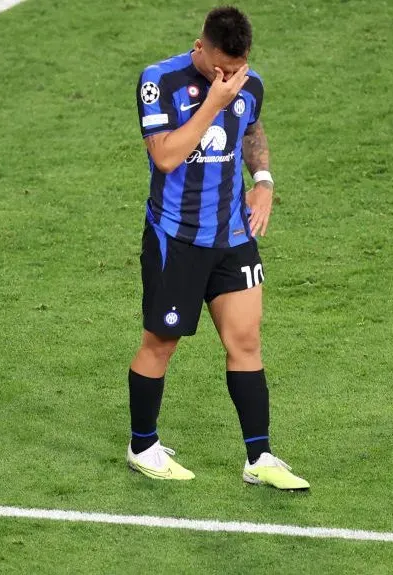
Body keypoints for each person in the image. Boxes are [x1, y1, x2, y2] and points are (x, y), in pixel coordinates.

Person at [126, 6, 308, 491]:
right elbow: (165, 156)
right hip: (176, 238)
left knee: (246, 341)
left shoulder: (249, 83)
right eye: (221, 69)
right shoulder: (159, 81)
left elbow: (251, 128)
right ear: (200, 47)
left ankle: (259, 457)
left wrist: (263, 180)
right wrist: (214, 101)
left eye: (238, 68)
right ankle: (142, 446)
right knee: (160, 344)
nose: (230, 78)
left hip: (232, 236)